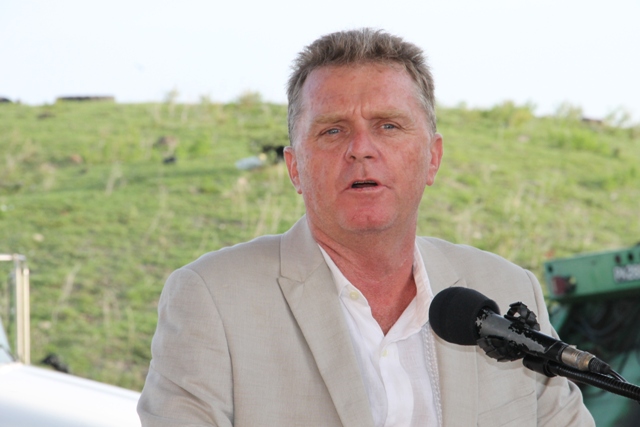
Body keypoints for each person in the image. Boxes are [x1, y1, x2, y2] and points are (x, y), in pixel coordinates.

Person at [137, 28, 594, 426]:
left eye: (389, 125)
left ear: (432, 158)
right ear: (294, 169)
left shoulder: (508, 287)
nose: (361, 148)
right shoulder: (211, 298)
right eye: (332, 131)